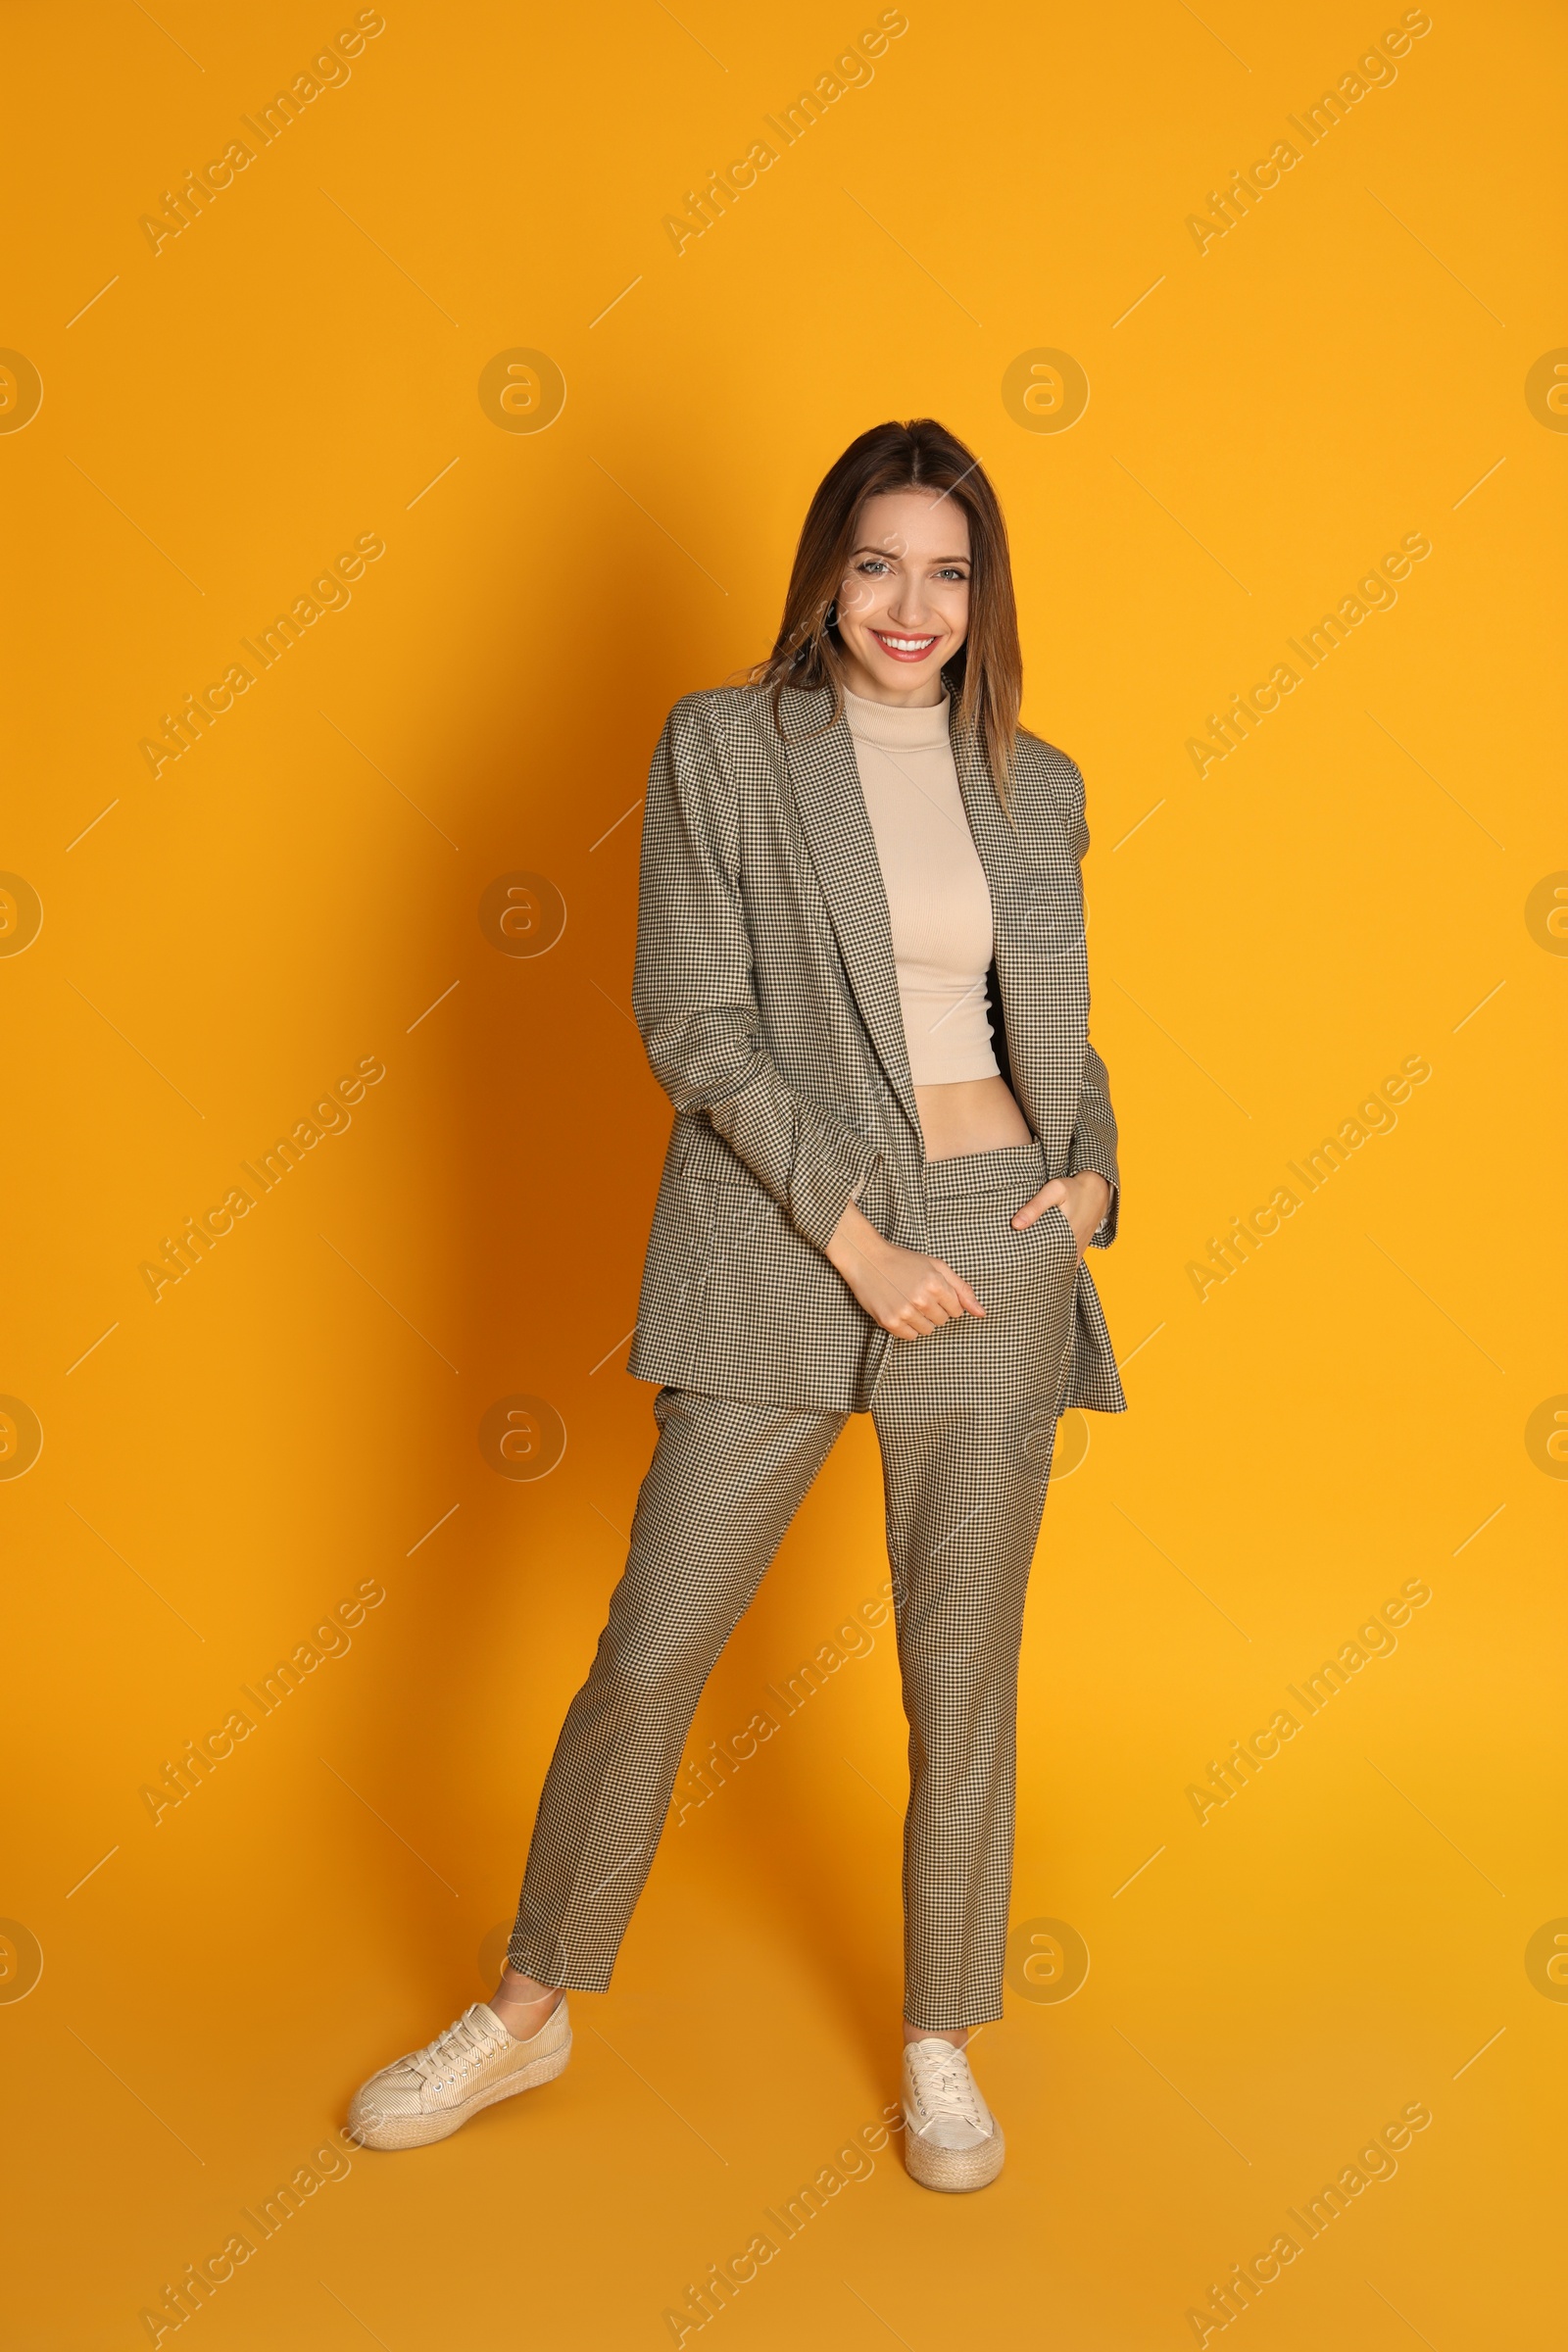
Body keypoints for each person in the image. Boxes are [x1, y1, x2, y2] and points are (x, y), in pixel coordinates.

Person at [348, 417, 1125, 2192]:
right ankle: (528, 2013)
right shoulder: (726, 748)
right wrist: (861, 1245)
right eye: (877, 565)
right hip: (789, 1232)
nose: (909, 605)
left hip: (995, 1225)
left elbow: (1054, 1017)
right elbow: (693, 1024)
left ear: (979, 592)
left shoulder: (1038, 775)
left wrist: (1080, 1182)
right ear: (825, 573)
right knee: (657, 1637)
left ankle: (940, 2040)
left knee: (961, 1665)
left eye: (946, 571)